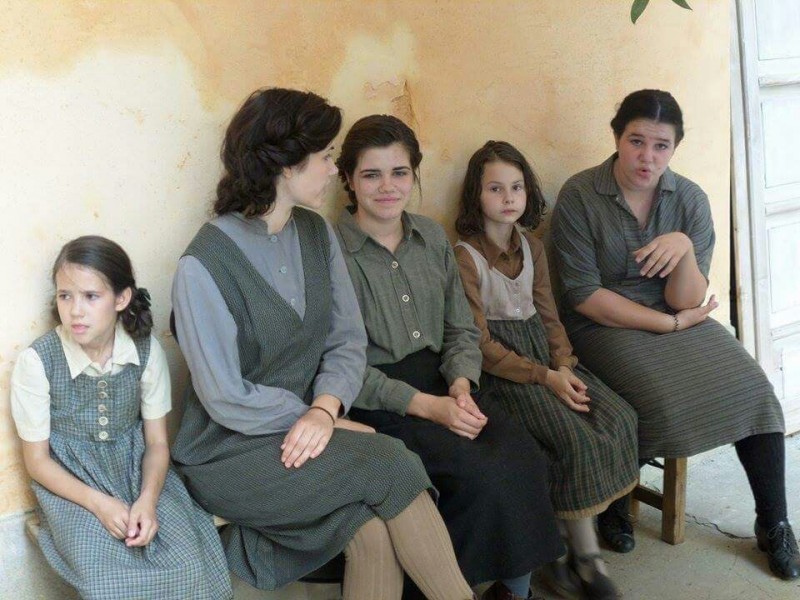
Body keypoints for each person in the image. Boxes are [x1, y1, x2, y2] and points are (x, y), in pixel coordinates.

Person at [170, 87, 476, 600]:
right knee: (393, 460)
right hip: (227, 450)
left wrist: (326, 409)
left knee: (370, 531)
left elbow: (346, 341)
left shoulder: (316, 233)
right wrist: (313, 417)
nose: (335, 171)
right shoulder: (203, 264)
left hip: (305, 430)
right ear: (285, 165)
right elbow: (224, 396)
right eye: (326, 157)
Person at [550, 89, 799, 580]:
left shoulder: (688, 199)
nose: (647, 156)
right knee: (657, 400)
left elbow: (687, 300)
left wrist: (684, 247)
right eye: (636, 141)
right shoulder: (580, 195)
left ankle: (774, 523)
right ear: (616, 138)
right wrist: (667, 324)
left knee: (755, 390)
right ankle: (616, 499)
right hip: (603, 323)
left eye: (661, 145)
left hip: (677, 317)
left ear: (675, 147)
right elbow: (583, 295)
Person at [335, 114, 564, 600]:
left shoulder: (431, 237)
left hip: (446, 381)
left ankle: (512, 591)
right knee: (472, 475)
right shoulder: (332, 253)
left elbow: (460, 328)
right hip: (378, 399)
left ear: (414, 174)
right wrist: (427, 406)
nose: (387, 187)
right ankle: (440, 590)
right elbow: (339, 365)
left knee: (523, 457)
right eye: (371, 174)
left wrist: (460, 385)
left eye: (400, 172)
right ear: (348, 180)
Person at [453, 140, 639, 599]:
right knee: (574, 439)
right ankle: (581, 560)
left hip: (546, 359)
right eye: (495, 188)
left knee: (618, 416)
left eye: (516, 187)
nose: (508, 197)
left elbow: (549, 316)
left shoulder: (532, 247)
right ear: (476, 195)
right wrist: (544, 376)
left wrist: (564, 365)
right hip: (506, 372)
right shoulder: (464, 256)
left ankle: (581, 541)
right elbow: (480, 344)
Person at [10, 236, 232, 600]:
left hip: (139, 472)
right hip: (72, 485)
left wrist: (147, 500)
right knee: (104, 578)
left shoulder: (145, 351)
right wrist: (100, 504)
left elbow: (157, 444)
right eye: (65, 296)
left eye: (90, 296)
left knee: (188, 563)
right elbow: (37, 462)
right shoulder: (38, 362)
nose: (75, 311)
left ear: (121, 298)